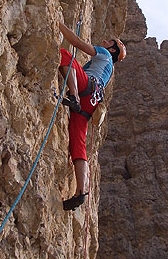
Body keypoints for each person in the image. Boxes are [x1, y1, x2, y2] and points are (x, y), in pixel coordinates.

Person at [58, 21, 126, 211]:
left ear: (112, 50)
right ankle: (81, 191)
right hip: (92, 103)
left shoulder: (104, 54)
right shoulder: (109, 70)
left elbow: (78, 43)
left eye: (109, 42)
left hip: (85, 88)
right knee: (78, 144)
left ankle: (73, 95)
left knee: (65, 55)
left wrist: (59, 25)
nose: (104, 41)